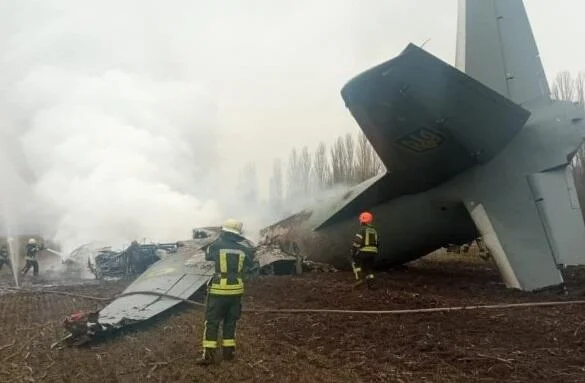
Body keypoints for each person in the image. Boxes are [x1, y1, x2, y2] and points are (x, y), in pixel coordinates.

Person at [196, 218, 256, 366]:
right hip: (236, 291)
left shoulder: (216, 246)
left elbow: (208, 255)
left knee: (212, 322)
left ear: (224, 231)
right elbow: (251, 263)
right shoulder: (245, 249)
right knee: (231, 323)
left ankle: (208, 356)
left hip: (218, 292)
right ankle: (228, 355)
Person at [350, 211, 379, 289]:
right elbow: (377, 243)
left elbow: (357, 241)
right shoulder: (374, 231)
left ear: (362, 220)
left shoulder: (362, 230)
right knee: (368, 268)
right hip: (373, 252)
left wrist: (353, 251)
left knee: (355, 263)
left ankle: (359, 279)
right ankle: (371, 284)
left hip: (364, 251)